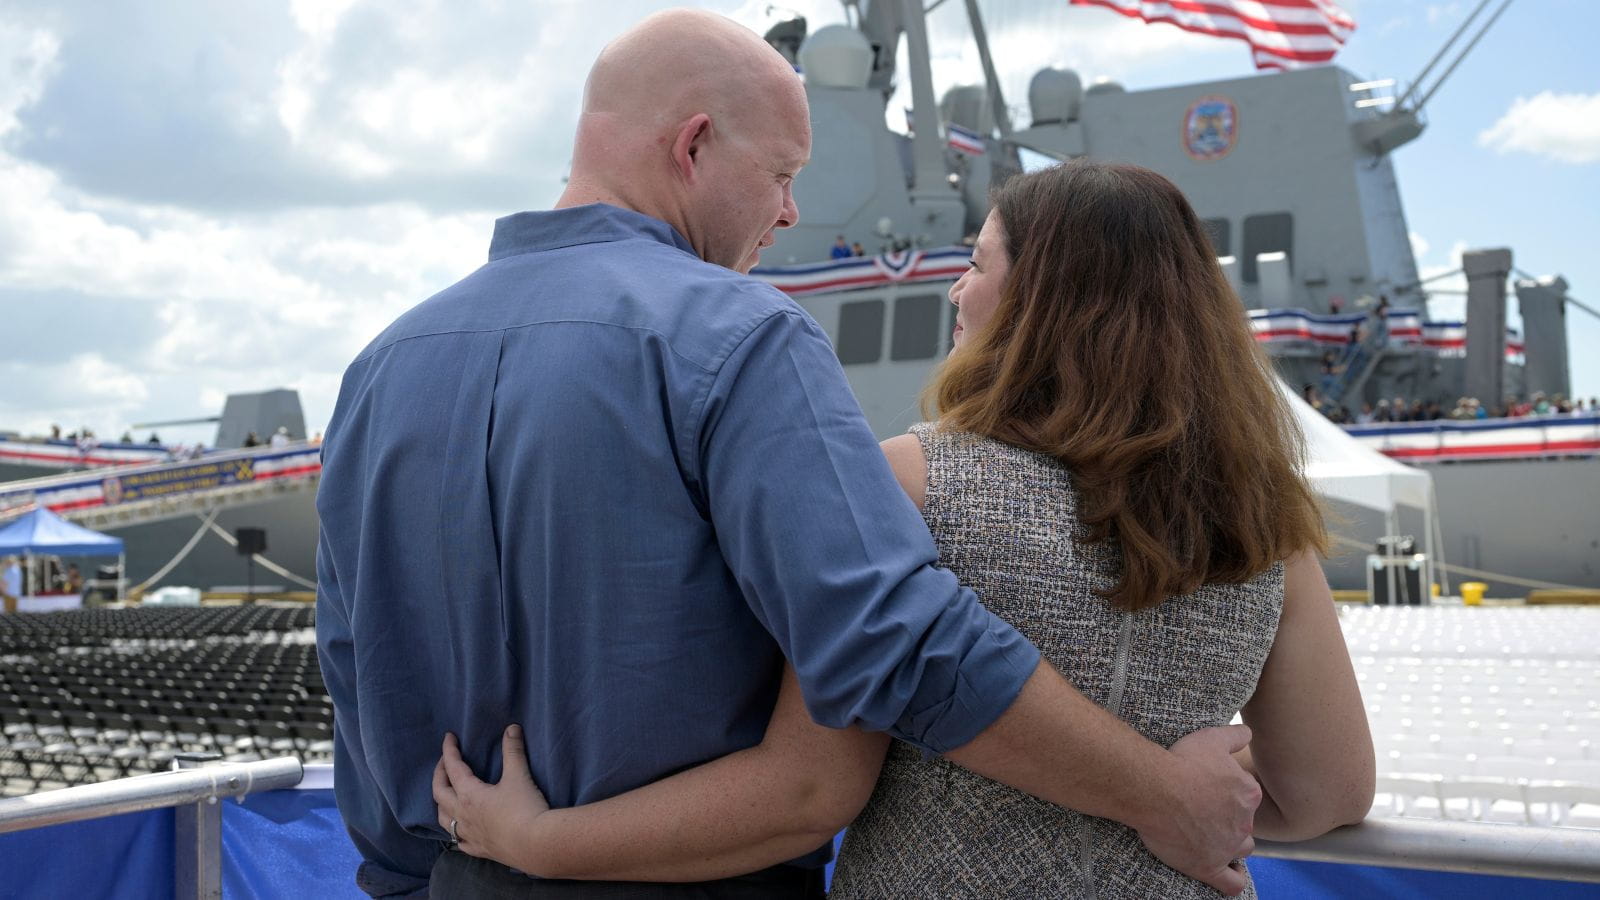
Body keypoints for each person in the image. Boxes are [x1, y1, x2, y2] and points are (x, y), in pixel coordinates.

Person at [319, 12, 1259, 900]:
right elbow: (894, 641)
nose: (789, 210)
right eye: (779, 174)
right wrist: (1164, 796)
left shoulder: (378, 368)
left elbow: (357, 679)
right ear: (692, 146)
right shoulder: (739, 335)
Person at [433, 161, 1374, 897]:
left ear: (1044, 301)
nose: (957, 291)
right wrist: (1186, 792)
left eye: (977, 264)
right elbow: (1329, 794)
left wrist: (539, 841)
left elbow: (809, 790)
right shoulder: (1267, 524)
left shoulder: (911, 482)